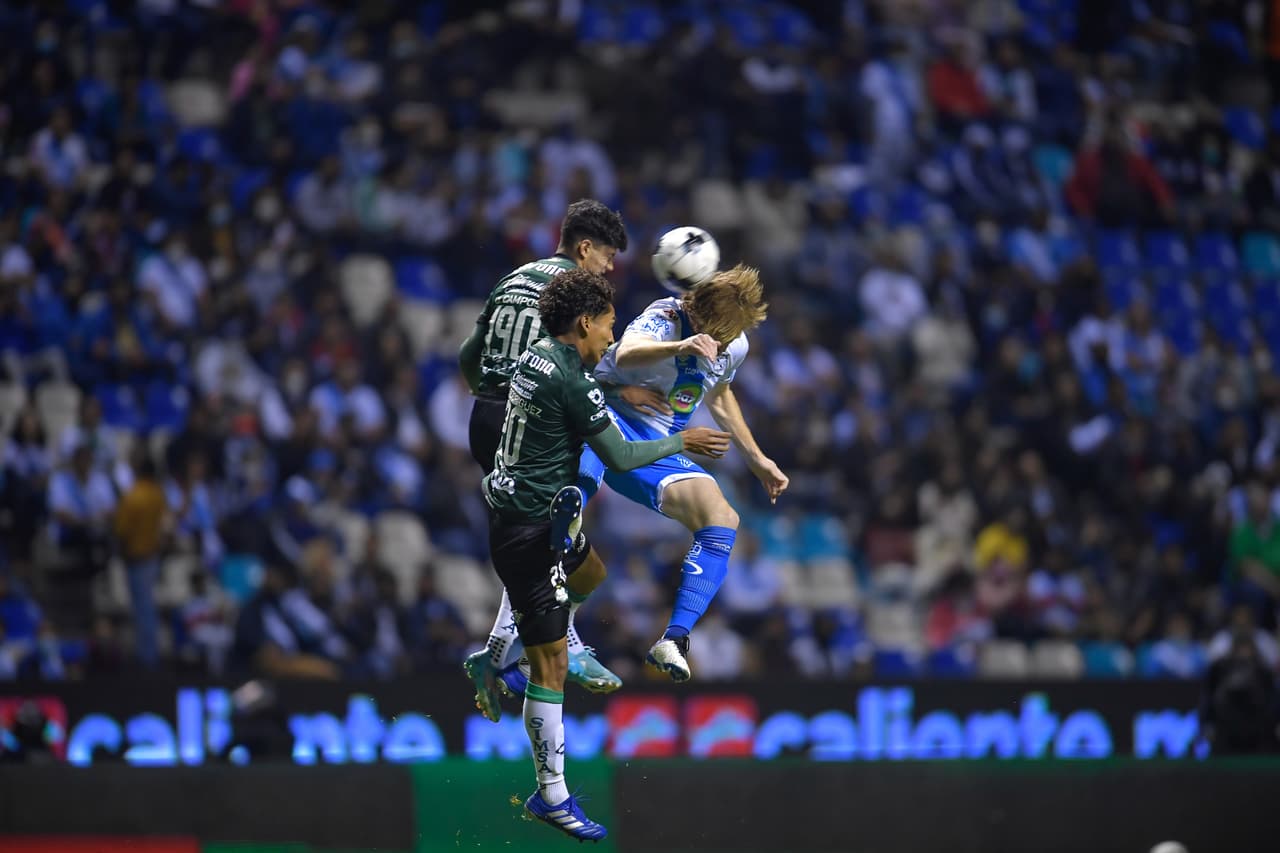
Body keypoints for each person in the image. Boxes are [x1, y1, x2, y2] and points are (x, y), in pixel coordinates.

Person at [482, 267, 728, 839]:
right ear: (585, 322)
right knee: (553, 668)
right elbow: (619, 455)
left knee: (592, 571)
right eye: (609, 328)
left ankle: (510, 644)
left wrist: (617, 390)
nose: (612, 341)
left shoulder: (537, 354)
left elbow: (487, 366)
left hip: (511, 503)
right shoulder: (574, 381)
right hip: (528, 530)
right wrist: (682, 441)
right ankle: (552, 796)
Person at [489, 264, 787, 687]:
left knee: (723, 517)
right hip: (605, 412)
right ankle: (570, 516)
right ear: (695, 313)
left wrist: (757, 459)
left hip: (655, 446)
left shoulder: (734, 344)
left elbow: (719, 394)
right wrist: (681, 345)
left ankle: (674, 638)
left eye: (726, 341)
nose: (719, 348)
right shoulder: (665, 316)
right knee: (591, 449)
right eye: (713, 337)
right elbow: (627, 352)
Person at [459, 199, 667, 717]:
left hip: (488, 416)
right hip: (528, 422)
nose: (610, 268)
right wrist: (623, 396)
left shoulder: (512, 279)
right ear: (584, 248)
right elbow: (560, 368)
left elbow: (470, 352)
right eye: (608, 256)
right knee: (558, 539)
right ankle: (555, 644)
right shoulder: (565, 297)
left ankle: (500, 651)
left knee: (546, 546)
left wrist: (489, 393)